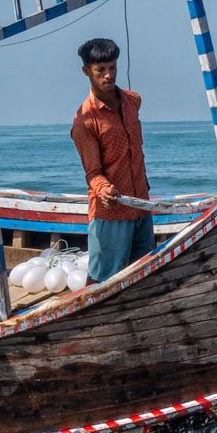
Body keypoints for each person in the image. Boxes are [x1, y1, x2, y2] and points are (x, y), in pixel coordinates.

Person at [70, 36, 155, 284]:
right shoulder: (84, 122)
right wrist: (105, 189)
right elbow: (92, 173)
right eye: (101, 70)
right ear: (86, 71)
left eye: (113, 68)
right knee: (102, 281)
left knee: (144, 275)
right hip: (110, 214)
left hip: (141, 204)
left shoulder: (133, 101)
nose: (108, 75)